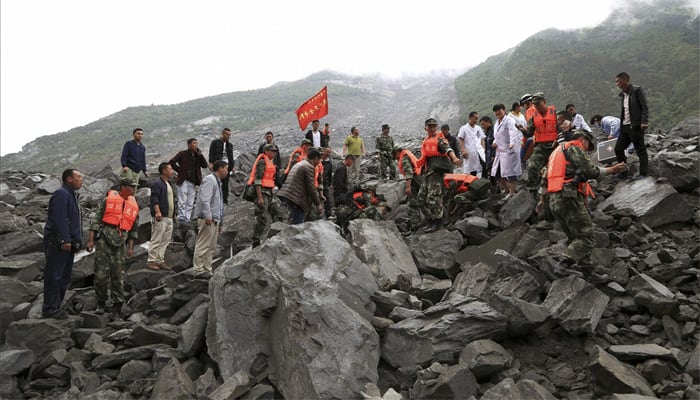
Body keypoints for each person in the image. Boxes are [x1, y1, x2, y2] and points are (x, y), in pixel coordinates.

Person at [537, 130, 627, 274]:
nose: (586, 149)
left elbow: (544, 180)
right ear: (583, 139)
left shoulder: (556, 153)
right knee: (587, 238)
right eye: (588, 145)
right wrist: (612, 169)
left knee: (575, 238)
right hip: (568, 198)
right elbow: (589, 171)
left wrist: (541, 202)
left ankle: (587, 268)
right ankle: (564, 263)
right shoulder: (574, 147)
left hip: (554, 201)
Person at [86, 177, 140, 317]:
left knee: (118, 275)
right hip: (105, 239)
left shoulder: (133, 206)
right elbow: (96, 220)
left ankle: (117, 306)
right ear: (123, 187)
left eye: (134, 187)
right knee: (101, 274)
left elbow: (133, 229)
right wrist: (91, 240)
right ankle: (101, 302)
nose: (134, 190)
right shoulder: (107, 201)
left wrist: (130, 248)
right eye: (131, 187)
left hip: (121, 241)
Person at [42, 168, 83, 319]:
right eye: (78, 177)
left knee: (64, 277)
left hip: (68, 244)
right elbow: (59, 218)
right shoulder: (61, 194)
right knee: (54, 275)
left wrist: (76, 241)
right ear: (69, 179)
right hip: (58, 243)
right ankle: (49, 309)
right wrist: (65, 239)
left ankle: (56, 307)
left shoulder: (72, 196)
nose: (81, 179)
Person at [415, 118, 461, 232]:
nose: (432, 128)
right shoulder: (427, 140)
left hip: (437, 172)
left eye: (434, 126)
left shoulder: (439, 139)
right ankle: (431, 219)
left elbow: (448, 148)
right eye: (430, 126)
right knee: (421, 197)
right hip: (428, 172)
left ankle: (438, 222)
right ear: (426, 128)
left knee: (434, 197)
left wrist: (454, 157)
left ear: (436, 127)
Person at [192, 160, 228, 276]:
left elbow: (218, 203)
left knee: (211, 246)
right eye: (226, 168)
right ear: (220, 168)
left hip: (214, 218)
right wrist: (208, 215)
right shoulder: (209, 179)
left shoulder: (217, 182)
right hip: (207, 218)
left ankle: (207, 269)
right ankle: (198, 269)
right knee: (203, 244)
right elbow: (205, 199)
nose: (227, 171)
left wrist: (220, 222)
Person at [615, 72, 650, 178]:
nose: (617, 84)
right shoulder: (623, 94)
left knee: (640, 149)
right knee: (618, 149)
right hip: (625, 126)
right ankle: (624, 172)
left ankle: (644, 173)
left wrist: (644, 121)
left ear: (626, 80)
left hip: (636, 125)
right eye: (616, 82)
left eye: (618, 81)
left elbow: (644, 106)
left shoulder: (636, 90)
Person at [249, 144, 285, 247]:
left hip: (269, 193)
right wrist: (260, 197)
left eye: (275, 151)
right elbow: (258, 180)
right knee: (262, 217)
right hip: (262, 193)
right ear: (266, 151)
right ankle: (256, 241)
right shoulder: (262, 162)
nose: (274, 153)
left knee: (278, 214)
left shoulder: (271, 163)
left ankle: (276, 236)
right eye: (272, 151)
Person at [525, 93, 558, 197]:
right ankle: (533, 191)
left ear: (544, 101)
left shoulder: (556, 114)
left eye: (538, 104)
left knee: (559, 167)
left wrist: (558, 141)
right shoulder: (534, 118)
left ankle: (559, 189)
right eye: (535, 105)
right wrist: (522, 130)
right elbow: (529, 133)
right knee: (532, 166)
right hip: (540, 147)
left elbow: (562, 129)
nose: (537, 107)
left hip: (555, 146)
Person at [277, 148, 324, 224]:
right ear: (315, 158)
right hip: (295, 197)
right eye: (319, 160)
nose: (319, 163)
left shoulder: (301, 163)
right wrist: (318, 204)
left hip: (288, 194)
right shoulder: (309, 167)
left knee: (292, 218)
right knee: (298, 222)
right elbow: (311, 187)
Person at [169, 138, 208, 222]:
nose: (196, 145)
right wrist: (180, 170)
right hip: (183, 179)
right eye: (194, 143)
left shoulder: (198, 155)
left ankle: (187, 217)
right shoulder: (182, 154)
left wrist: (200, 155)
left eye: (196, 143)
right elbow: (172, 162)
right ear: (189, 145)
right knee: (182, 199)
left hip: (193, 180)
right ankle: (182, 216)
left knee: (190, 200)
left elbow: (205, 165)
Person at [147, 162, 175, 271]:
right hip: (161, 216)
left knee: (165, 240)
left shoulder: (168, 184)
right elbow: (154, 198)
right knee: (157, 238)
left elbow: (171, 201)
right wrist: (157, 211)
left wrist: (174, 214)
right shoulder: (157, 183)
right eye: (170, 169)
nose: (172, 171)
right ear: (163, 170)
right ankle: (151, 260)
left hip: (169, 217)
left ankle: (160, 259)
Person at [491, 104, 522, 200]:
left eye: (499, 110)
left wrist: (512, 143)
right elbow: (496, 136)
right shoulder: (497, 123)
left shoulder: (509, 120)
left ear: (504, 110)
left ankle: (512, 192)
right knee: (497, 173)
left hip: (509, 150)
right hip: (500, 151)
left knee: (510, 172)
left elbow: (513, 132)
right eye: (495, 111)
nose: (497, 112)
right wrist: (494, 142)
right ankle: (507, 190)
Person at [394, 147, 423, 231]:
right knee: (422, 200)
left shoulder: (404, 159)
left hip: (416, 181)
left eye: (395, 156)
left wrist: (408, 187)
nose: (395, 158)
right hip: (420, 179)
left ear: (397, 152)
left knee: (413, 204)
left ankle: (416, 225)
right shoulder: (408, 155)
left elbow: (409, 173)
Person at [208, 128, 235, 204]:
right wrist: (211, 163)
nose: (228, 136)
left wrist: (232, 166)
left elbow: (231, 156)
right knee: (216, 183)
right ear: (223, 134)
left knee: (225, 185)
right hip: (217, 165)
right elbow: (211, 153)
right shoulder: (215, 143)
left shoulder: (230, 145)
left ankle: (224, 201)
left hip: (227, 167)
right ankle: (215, 201)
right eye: (227, 134)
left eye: (229, 135)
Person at [458, 112, 487, 176]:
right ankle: (472, 184)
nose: (476, 120)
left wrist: (484, 148)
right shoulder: (464, 128)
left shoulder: (478, 128)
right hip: (469, 151)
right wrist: (463, 150)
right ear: (470, 118)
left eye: (477, 119)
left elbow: (482, 139)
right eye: (475, 118)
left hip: (479, 151)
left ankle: (483, 181)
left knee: (484, 165)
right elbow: (461, 139)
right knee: (472, 170)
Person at [320, 147, 334, 218]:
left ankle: (328, 214)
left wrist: (330, 183)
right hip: (317, 182)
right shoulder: (318, 160)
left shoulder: (329, 163)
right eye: (327, 152)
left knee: (327, 198)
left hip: (325, 182)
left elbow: (329, 174)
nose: (328, 154)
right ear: (323, 151)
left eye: (329, 152)